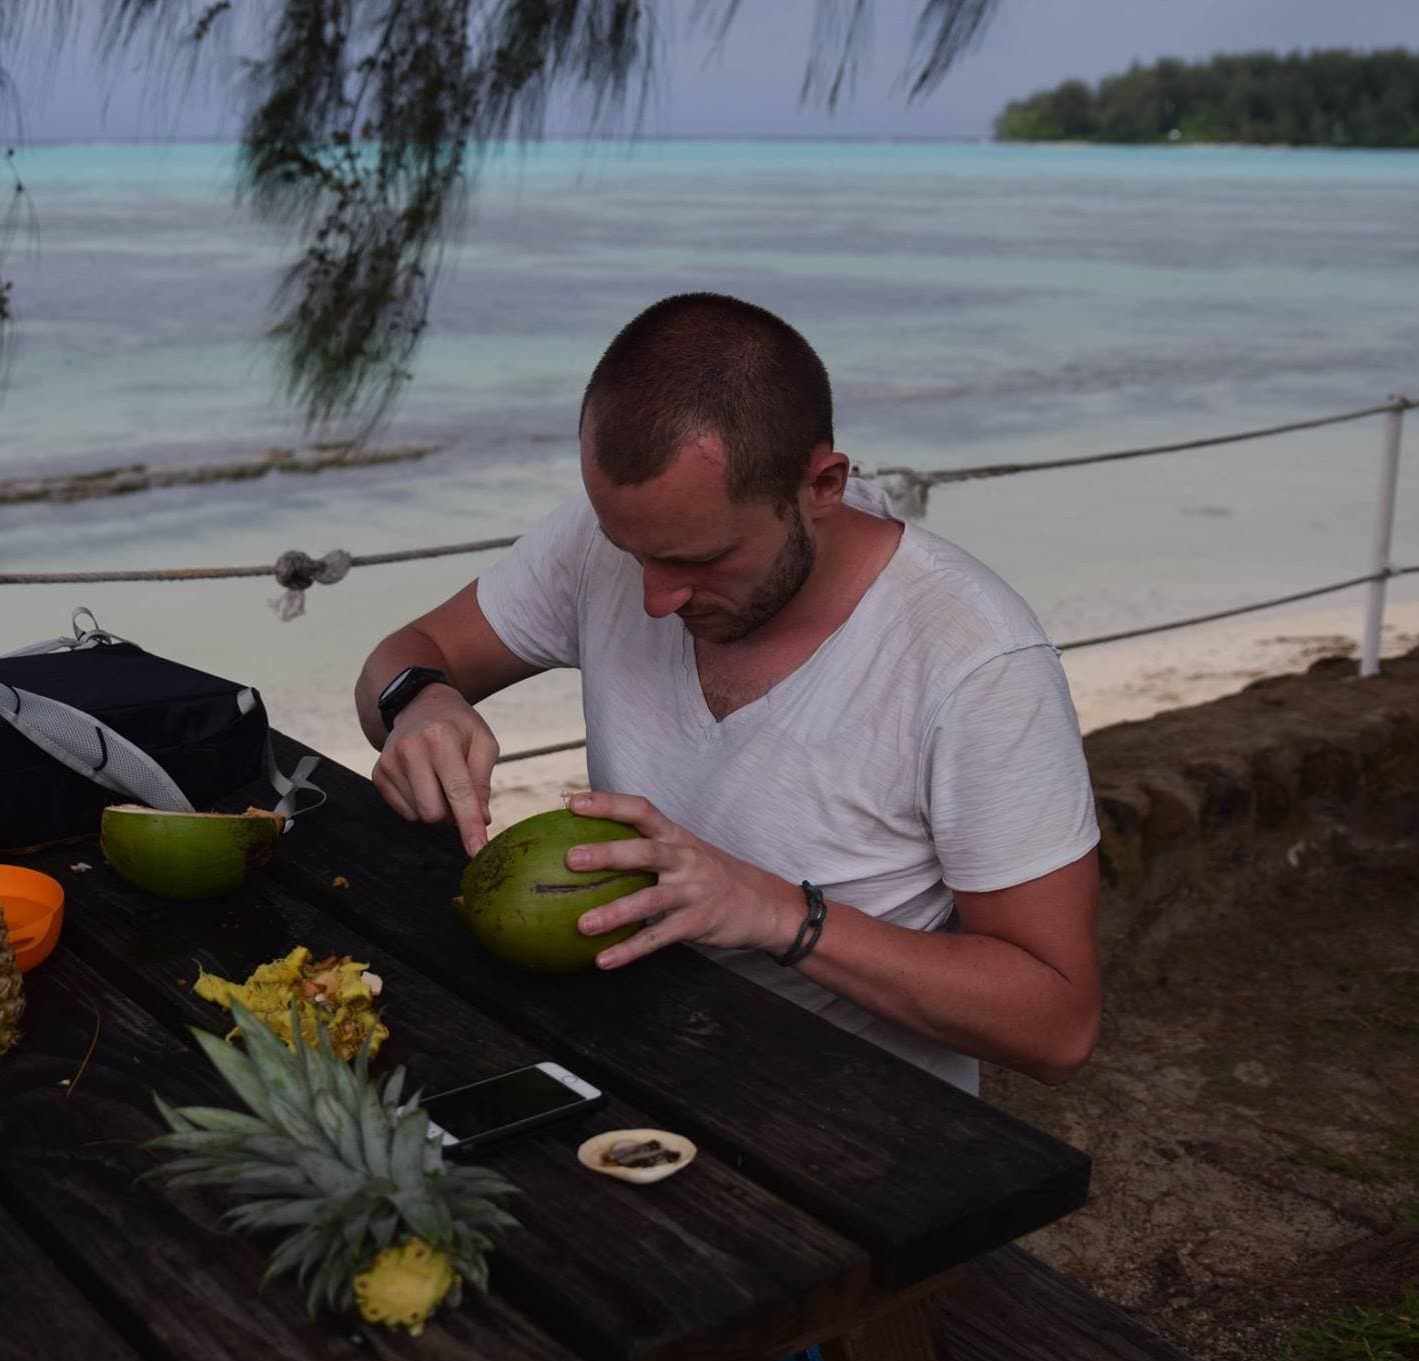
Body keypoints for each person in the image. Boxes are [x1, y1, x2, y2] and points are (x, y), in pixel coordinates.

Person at [355, 293, 1101, 1093]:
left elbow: (1058, 1024)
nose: (653, 597)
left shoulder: (974, 662)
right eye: (629, 550)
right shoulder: (633, 537)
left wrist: (783, 915)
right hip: (634, 1064)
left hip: (853, 1128)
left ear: (823, 484)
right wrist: (419, 700)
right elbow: (401, 661)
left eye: (700, 561)